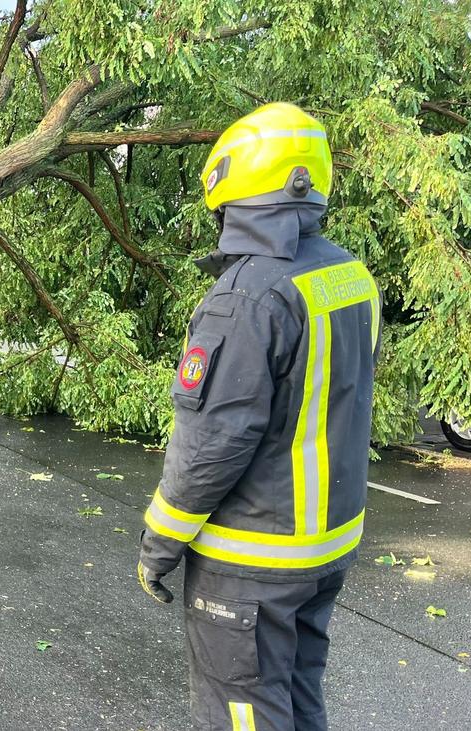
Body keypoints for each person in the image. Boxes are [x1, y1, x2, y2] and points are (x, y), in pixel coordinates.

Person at [137, 103, 380, 731]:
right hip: (327, 546)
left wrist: (159, 544)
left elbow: (213, 438)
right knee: (297, 699)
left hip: (254, 560)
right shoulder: (350, 277)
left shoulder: (248, 295)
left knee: (242, 710)